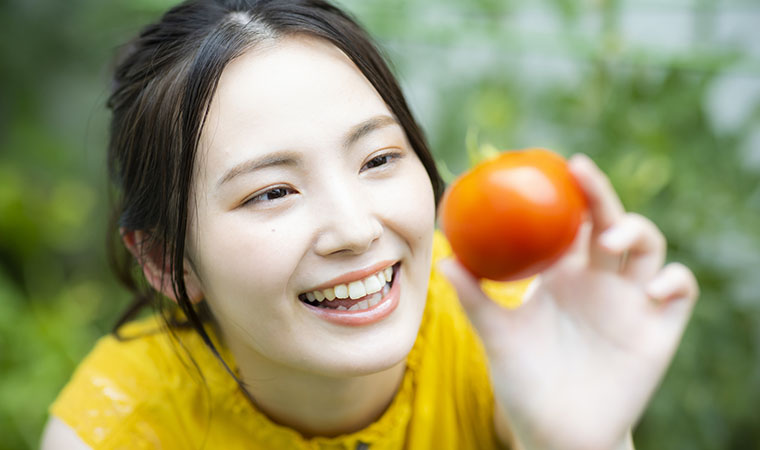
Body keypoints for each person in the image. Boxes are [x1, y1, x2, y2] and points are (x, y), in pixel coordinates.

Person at [41, 0, 699, 449]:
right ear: (166, 261)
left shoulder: (512, 343)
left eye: (379, 158)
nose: (356, 229)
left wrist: (576, 444)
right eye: (272, 192)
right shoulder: (116, 431)